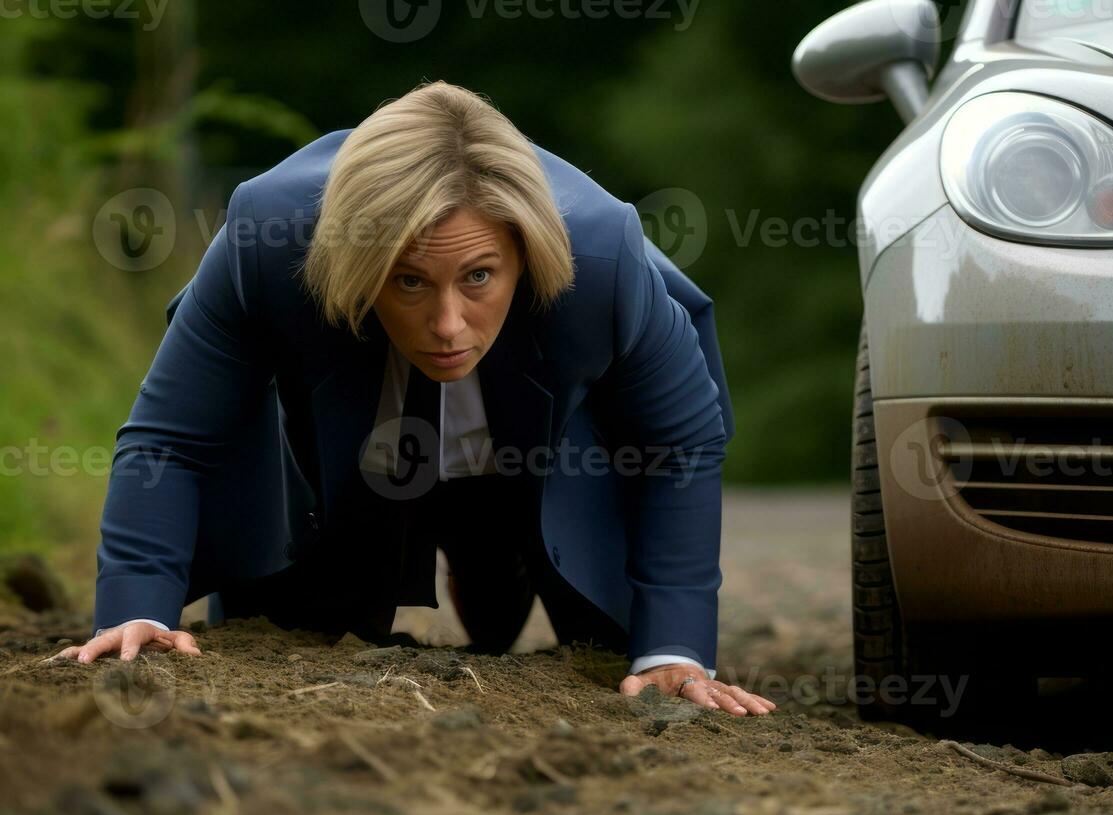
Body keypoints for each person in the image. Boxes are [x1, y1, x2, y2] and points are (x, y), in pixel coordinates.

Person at [58, 81, 775, 717]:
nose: (446, 325)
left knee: (520, 608)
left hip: (531, 457)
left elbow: (675, 447)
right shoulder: (267, 239)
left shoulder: (603, 257)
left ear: (523, 254)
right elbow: (171, 439)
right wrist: (135, 609)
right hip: (351, 471)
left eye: (478, 276)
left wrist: (673, 649)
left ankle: (493, 556)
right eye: (407, 282)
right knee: (305, 617)